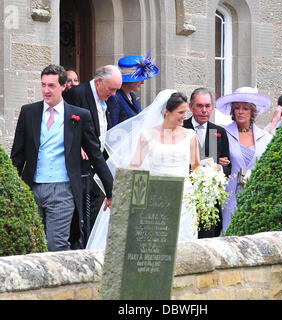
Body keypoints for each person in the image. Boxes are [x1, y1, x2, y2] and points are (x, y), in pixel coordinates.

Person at [10, 64, 113, 251]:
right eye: (43, 85)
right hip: (31, 188)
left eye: (51, 86)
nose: (46, 90)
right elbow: (17, 155)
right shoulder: (28, 112)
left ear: (63, 86)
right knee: (31, 246)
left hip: (63, 190)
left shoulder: (79, 115)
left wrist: (110, 190)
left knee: (55, 245)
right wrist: (12, 189)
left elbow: (95, 154)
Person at [86, 90, 201, 249]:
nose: (184, 116)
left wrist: (209, 179)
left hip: (184, 199)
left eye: (185, 112)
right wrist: (119, 194)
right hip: (155, 196)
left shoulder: (190, 136)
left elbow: (196, 168)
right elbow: (134, 168)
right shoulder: (147, 135)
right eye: (180, 112)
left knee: (183, 244)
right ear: (167, 112)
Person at [64, 65, 122, 245]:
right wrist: (77, 144)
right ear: (98, 82)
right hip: (80, 166)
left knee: (92, 211)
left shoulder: (109, 98)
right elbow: (66, 126)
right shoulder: (77, 94)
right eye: (111, 88)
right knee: (79, 214)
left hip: (97, 162)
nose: (113, 94)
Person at [215, 86, 273, 233]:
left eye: (245, 108)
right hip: (230, 195)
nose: (240, 112)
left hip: (256, 195)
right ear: (232, 111)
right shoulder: (221, 134)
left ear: (253, 111)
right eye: (237, 108)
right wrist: (218, 163)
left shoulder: (266, 138)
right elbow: (210, 162)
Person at [183, 87, 231, 238]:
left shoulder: (218, 132)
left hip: (210, 200)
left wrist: (218, 167)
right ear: (191, 107)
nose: (204, 110)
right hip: (186, 197)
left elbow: (228, 167)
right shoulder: (182, 127)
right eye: (199, 106)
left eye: (208, 106)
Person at [107, 54, 159, 126]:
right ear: (130, 80)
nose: (143, 82)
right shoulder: (115, 98)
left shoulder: (132, 96)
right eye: (139, 79)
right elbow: (112, 127)